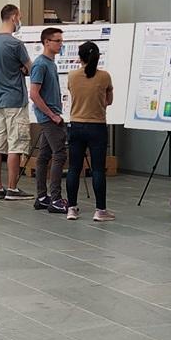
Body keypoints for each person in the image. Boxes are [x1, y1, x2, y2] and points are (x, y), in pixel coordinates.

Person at [63, 41, 115, 222]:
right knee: (98, 169)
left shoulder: (72, 76)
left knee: (74, 169)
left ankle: (71, 208)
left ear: (80, 57)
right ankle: (100, 210)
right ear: (98, 57)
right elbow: (109, 101)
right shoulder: (105, 77)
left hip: (76, 125)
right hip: (97, 126)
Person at [0, 4, 31, 201]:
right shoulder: (15, 44)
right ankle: (12, 188)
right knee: (16, 145)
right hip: (16, 101)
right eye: (19, 17)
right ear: (13, 17)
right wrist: (22, 69)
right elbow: (30, 69)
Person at [27, 27, 67, 213]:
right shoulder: (41, 64)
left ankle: (42, 197)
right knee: (59, 154)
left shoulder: (51, 64)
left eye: (61, 40)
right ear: (46, 42)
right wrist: (52, 115)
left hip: (50, 115)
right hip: (49, 117)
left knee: (43, 156)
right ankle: (56, 198)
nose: (60, 44)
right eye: (57, 40)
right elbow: (34, 94)